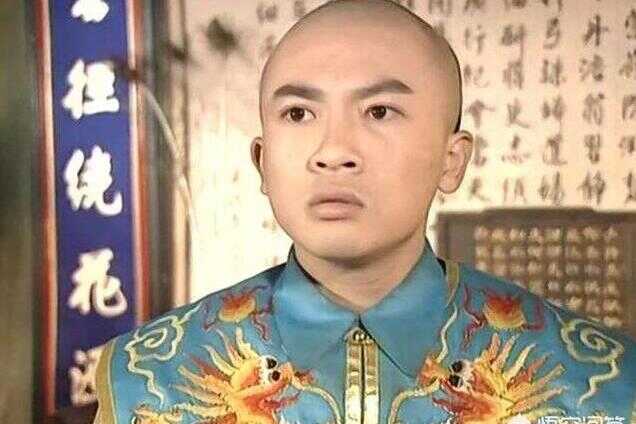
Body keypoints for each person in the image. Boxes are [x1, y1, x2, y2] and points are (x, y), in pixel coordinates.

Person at [93, 1, 636, 423]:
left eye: (379, 111)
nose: (333, 151)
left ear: (452, 160)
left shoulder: (598, 382)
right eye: (298, 113)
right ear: (262, 161)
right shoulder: (147, 377)